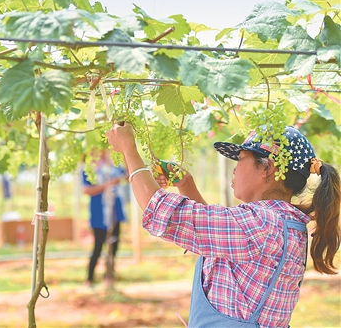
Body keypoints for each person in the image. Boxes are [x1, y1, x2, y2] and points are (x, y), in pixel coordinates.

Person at [106, 123, 340, 327]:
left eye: (240, 160)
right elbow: (220, 241)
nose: (235, 169)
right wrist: (186, 185)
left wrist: (129, 149)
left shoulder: (262, 224)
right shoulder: (282, 223)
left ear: (267, 168)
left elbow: (160, 209)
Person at [82, 149, 128, 287]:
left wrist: (126, 151)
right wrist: (107, 185)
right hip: (99, 213)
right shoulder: (89, 169)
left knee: (114, 246)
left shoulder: (112, 165)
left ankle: (109, 277)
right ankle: (89, 278)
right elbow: (87, 190)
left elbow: (126, 175)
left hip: (115, 212)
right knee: (98, 246)